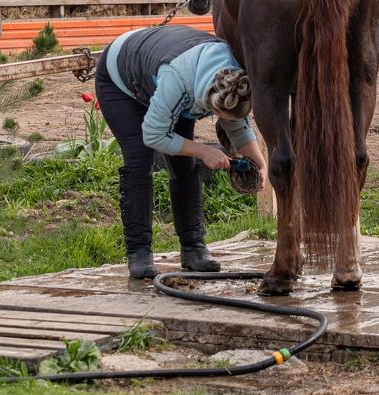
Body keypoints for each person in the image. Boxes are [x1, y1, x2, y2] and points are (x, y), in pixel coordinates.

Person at [95, 24, 267, 279]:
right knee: (140, 160)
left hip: (164, 69)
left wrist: (260, 163)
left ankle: (194, 249)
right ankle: (139, 253)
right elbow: (153, 135)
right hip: (121, 80)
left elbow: (236, 123)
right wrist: (203, 151)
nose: (222, 119)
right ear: (207, 102)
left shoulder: (234, 79)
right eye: (218, 115)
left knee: (184, 165)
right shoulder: (179, 82)